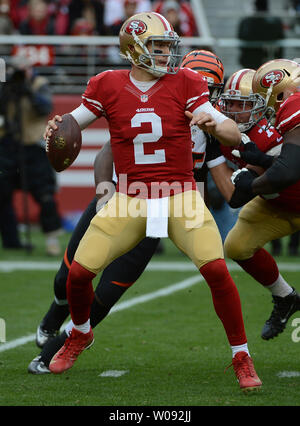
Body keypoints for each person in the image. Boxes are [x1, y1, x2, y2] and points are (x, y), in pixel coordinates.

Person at [40, 15, 262, 391]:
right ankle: (80, 333)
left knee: (216, 271)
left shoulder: (188, 82)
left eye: (167, 47)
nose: (165, 54)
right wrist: (55, 128)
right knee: (79, 273)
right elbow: (71, 124)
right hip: (131, 197)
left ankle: (241, 355)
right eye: (157, 47)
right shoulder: (107, 83)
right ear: (133, 48)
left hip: (181, 196)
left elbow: (230, 130)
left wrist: (214, 125)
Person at [225, 58, 300, 341]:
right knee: (237, 245)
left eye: (241, 103)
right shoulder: (227, 130)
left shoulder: (292, 107)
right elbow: (233, 198)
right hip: (277, 205)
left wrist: (251, 182)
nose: (233, 110)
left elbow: (287, 170)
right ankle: (285, 297)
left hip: (286, 192)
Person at [0, 56, 62, 256]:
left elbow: (45, 108)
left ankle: (52, 240)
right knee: (2, 194)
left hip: (34, 146)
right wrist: (7, 87)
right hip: (9, 145)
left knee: (45, 194)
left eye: (24, 69)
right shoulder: (7, 87)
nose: (21, 73)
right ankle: (11, 239)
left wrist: (27, 91)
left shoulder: (39, 84)